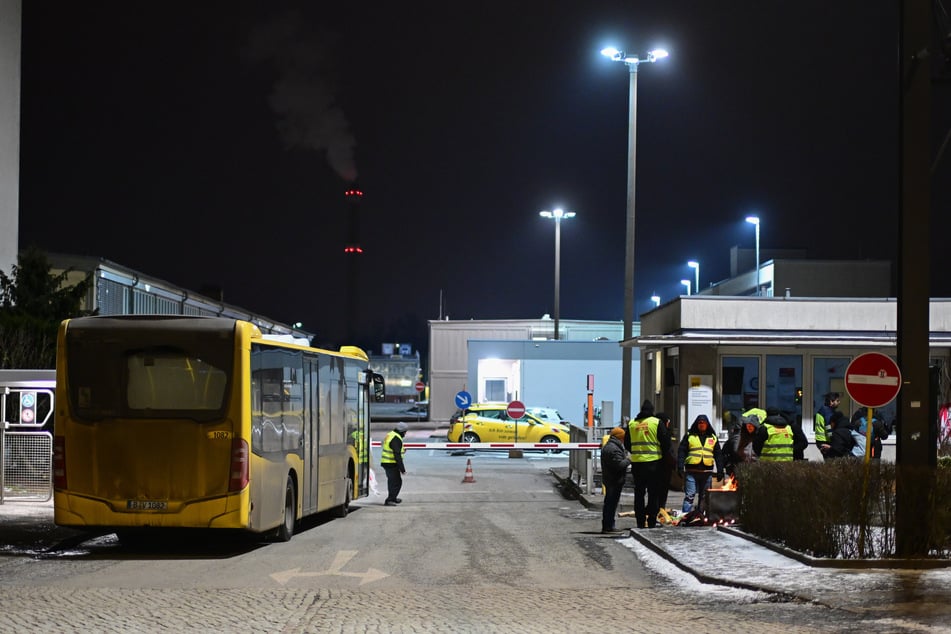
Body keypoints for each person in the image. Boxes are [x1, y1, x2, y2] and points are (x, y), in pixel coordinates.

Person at [624, 400, 671, 529]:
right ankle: (651, 521)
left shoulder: (632, 423)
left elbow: (627, 443)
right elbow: (666, 442)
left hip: (638, 464)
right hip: (654, 463)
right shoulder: (656, 423)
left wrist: (636, 452)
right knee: (653, 494)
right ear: (652, 410)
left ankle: (640, 521)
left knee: (639, 493)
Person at [676, 414, 724, 514]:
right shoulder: (689, 436)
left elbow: (718, 455)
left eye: (704, 423)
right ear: (697, 424)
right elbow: (681, 451)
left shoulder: (713, 437)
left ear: (707, 424)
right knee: (690, 495)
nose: (702, 424)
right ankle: (685, 516)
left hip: (707, 472)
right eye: (700, 423)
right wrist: (680, 467)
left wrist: (720, 470)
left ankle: (701, 516)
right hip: (691, 472)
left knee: (704, 497)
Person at [599, 427, 631, 533]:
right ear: (619, 437)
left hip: (611, 479)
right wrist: (629, 460)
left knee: (610, 503)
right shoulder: (613, 449)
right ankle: (608, 526)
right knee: (611, 504)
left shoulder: (610, 446)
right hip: (614, 480)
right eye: (623, 437)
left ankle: (608, 525)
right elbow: (619, 465)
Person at [380, 422, 408, 506]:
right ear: (402, 431)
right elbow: (397, 454)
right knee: (395, 482)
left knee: (394, 481)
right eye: (405, 432)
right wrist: (402, 469)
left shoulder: (390, 434)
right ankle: (390, 500)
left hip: (387, 462)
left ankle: (393, 498)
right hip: (390, 463)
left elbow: (386, 446)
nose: (405, 434)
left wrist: (402, 450)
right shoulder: (396, 438)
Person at [655, 412, 676, 511]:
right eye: (668, 422)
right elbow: (668, 451)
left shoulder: (654, 432)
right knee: (662, 491)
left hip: (655, 464)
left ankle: (657, 509)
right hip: (663, 466)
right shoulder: (664, 434)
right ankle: (660, 510)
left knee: (656, 491)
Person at [814, 392, 841, 460]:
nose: (839, 402)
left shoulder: (822, 410)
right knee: (831, 462)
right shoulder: (827, 411)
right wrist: (833, 440)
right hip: (826, 440)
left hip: (820, 440)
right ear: (831, 402)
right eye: (837, 401)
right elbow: (828, 426)